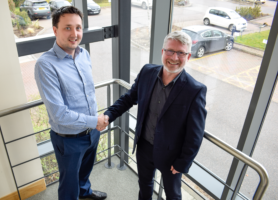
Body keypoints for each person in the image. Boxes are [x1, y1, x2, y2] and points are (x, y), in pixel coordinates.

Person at [102, 31, 207, 200]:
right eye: (170, 51)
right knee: (145, 185)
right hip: (144, 146)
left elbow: (195, 133)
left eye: (181, 53)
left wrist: (183, 162)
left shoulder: (195, 90)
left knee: (173, 194)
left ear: (188, 56)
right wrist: (109, 115)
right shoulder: (147, 72)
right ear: (162, 52)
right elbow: (129, 98)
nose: (174, 57)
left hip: (171, 156)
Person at [35, 6, 108, 200]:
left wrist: (94, 124)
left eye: (78, 28)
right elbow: (59, 113)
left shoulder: (84, 54)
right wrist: (95, 121)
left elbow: (88, 93)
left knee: (84, 171)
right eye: (67, 28)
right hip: (69, 139)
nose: (74, 34)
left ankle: (85, 192)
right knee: (68, 184)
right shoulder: (46, 65)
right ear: (55, 30)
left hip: (92, 132)